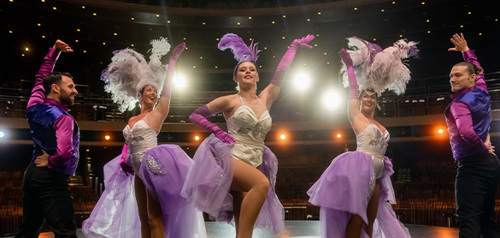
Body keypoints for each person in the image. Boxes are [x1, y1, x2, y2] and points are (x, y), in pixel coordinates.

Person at [181, 33, 314, 238]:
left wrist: (293, 47)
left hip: (257, 159)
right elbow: (195, 115)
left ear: (258, 76)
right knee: (261, 184)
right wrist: (217, 130)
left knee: (243, 225)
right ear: (236, 77)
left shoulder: (266, 99)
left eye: (252, 69)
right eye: (243, 70)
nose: (248, 71)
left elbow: (281, 74)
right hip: (233, 158)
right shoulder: (230, 101)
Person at [82, 38, 206, 238]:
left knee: (153, 216)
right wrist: (125, 160)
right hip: (136, 168)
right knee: (143, 217)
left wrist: (173, 61)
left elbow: (167, 90)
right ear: (140, 95)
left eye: (155, 92)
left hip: (153, 166)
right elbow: (128, 144)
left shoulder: (158, 113)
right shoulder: (132, 118)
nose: (154, 93)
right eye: (150, 90)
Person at [308, 37, 418, 238]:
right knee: (358, 218)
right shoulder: (356, 117)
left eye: (372, 97)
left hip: (377, 177)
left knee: (370, 218)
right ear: (360, 100)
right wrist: (349, 67)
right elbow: (353, 90)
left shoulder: (380, 125)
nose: (369, 99)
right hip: (360, 171)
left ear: (376, 101)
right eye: (365, 96)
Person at [17, 39, 79, 238]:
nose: (75, 90)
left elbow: (40, 77)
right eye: (70, 86)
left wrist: (54, 51)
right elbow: (65, 153)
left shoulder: (33, 105)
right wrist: (51, 161)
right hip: (52, 177)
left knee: (28, 230)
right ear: (55, 88)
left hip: (32, 174)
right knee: (66, 232)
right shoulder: (63, 119)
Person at [445, 33, 500, 237]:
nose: (452, 78)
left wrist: (481, 146)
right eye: (451, 75)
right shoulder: (482, 92)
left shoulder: (459, 104)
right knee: (485, 220)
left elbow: (466, 132)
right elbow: (479, 70)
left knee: (468, 219)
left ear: (471, 78)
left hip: (472, 164)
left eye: (457, 75)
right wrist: (466, 50)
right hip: (491, 165)